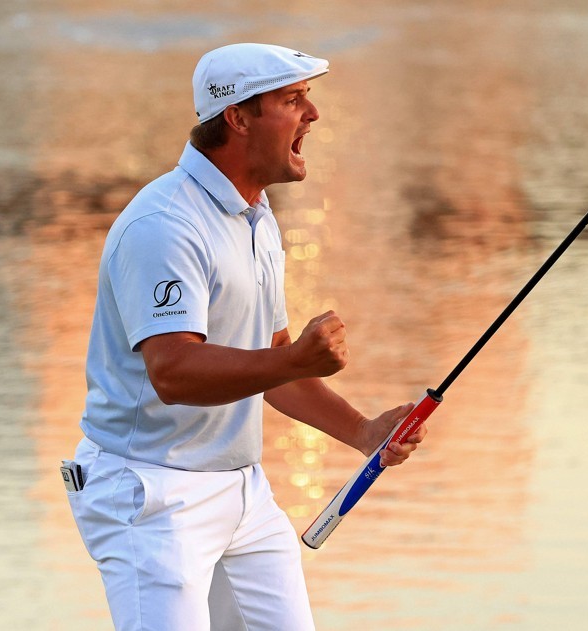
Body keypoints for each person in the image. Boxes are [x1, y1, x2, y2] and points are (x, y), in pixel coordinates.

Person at [64, 43, 426, 630]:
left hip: (241, 491)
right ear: (237, 117)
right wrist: (293, 361)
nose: (313, 114)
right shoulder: (165, 224)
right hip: (149, 493)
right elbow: (174, 372)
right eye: (293, 100)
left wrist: (362, 431)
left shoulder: (256, 215)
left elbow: (272, 367)